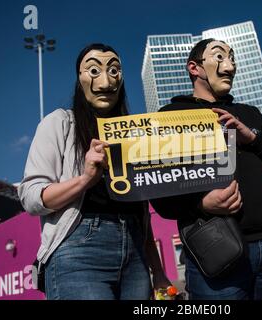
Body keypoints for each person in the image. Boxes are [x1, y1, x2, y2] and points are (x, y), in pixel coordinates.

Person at [150, 39, 262, 300]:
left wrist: (252, 138)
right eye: (219, 57)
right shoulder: (169, 116)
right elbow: (159, 192)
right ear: (194, 68)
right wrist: (201, 205)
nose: (230, 66)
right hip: (217, 252)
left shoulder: (249, 113)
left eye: (232, 58)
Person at [18, 43, 170, 300]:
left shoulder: (133, 134)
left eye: (114, 70)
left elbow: (141, 210)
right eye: (93, 70)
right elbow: (32, 197)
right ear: (79, 77)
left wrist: (158, 270)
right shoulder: (60, 123)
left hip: (135, 252)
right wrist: (85, 179)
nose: (105, 80)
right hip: (80, 249)